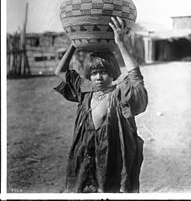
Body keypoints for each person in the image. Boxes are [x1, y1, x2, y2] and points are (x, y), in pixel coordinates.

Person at [54, 16, 148, 193]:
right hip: (84, 157)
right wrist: (74, 43)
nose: (98, 77)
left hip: (111, 157)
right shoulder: (85, 90)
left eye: (104, 72)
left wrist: (120, 43)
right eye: (94, 72)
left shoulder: (119, 94)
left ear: (113, 74)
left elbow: (136, 78)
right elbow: (60, 71)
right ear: (89, 75)